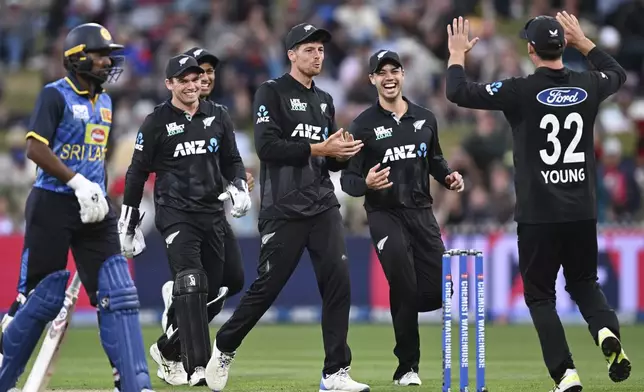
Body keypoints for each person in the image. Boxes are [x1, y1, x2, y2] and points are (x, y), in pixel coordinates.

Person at [445, 12, 630, 392]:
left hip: (538, 213)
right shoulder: (589, 84)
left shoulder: (519, 90)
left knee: (540, 295)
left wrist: (457, 53)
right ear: (563, 45)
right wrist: (586, 44)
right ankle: (607, 333)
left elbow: (457, 91)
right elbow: (617, 73)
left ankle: (565, 374)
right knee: (583, 283)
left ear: (530, 49)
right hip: (581, 210)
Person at [205, 23, 370, 392]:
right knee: (268, 287)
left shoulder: (325, 100)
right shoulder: (271, 92)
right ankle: (226, 344)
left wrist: (340, 154)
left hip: (322, 203)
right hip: (283, 206)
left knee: (338, 283)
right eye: (309, 49)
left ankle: (335, 373)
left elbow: (327, 162)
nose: (317, 55)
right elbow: (267, 148)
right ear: (291, 54)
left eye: (321, 50)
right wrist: (319, 149)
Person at [0, 23, 154, 392]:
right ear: (77, 58)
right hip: (53, 202)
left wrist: (106, 200)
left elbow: (95, 156)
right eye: (100, 55)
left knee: (118, 291)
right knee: (41, 299)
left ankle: (134, 384)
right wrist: (76, 182)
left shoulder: (105, 102)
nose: (107, 62)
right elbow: (35, 148)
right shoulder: (55, 95)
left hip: (94, 208)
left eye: (108, 55)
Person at [119, 53, 251, 387]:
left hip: (212, 214)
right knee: (193, 281)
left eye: (196, 79)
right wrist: (129, 221)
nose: (192, 85)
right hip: (176, 215)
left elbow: (232, 160)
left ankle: (167, 348)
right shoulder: (156, 122)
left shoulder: (218, 115)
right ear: (170, 84)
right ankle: (198, 367)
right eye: (184, 80)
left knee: (226, 284)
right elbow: (136, 173)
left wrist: (238, 186)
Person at [340, 50, 464, 387]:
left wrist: (449, 176)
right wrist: (364, 183)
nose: (389, 77)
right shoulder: (362, 125)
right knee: (403, 281)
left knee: (439, 291)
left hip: (422, 213)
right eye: (382, 73)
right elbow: (348, 181)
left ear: (403, 75)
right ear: (372, 80)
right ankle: (407, 367)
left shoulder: (425, 117)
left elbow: (434, 159)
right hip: (384, 214)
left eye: (394, 70)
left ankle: (406, 303)